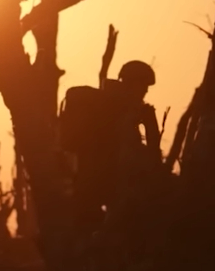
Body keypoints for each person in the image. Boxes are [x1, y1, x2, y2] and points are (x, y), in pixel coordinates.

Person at [60, 60, 162, 235]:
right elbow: (128, 151)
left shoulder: (113, 104)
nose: (145, 91)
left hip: (93, 182)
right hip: (105, 180)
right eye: (143, 85)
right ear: (132, 83)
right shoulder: (117, 108)